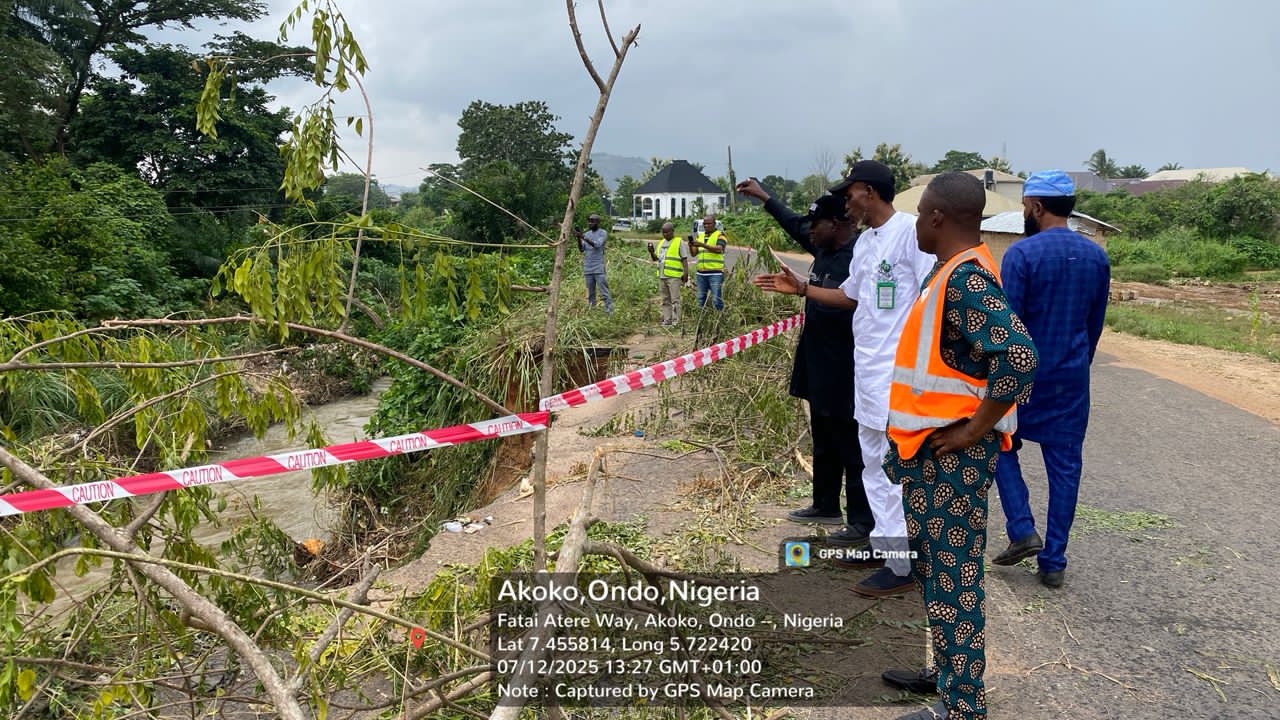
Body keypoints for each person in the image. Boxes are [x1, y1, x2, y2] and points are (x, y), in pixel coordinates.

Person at [881, 172, 1039, 720]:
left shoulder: (966, 279)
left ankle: (963, 706)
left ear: (937, 217)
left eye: (920, 213)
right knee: (936, 571)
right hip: (930, 457)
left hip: (953, 460)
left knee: (954, 579)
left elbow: (1018, 357)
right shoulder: (949, 271)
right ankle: (948, 674)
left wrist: (973, 430)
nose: (915, 224)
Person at [753, 160, 935, 597]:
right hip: (866, 374)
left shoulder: (909, 235)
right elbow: (849, 296)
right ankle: (884, 546)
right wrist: (802, 289)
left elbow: (931, 294)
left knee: (894, 468)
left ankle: (904, 565)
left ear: (869, 191)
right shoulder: (867, 243)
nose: (846, 202)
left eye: (849, 193)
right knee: (872, 464)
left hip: (898, 375)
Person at [990, 170, 1111, 589]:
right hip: (1071, 377)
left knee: (998, 441)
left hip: (1025, 375)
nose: (1025, 212)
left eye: (1025, 206)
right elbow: (1095, 322)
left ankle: (1022, 526)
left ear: (1037, 207)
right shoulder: (1096, 256)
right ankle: (1054, 560)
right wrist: (1079, 362)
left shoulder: (1021, 255)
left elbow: (1009, 325)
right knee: (1066, 467)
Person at [736, 177, 874, 545]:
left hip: (847, 367)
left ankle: (862, 523)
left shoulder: (861, 257)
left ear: (839, 224)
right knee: (823, 435)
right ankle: (825, 504)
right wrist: (764, 197)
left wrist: (804, 289)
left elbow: (851, 303)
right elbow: (793, 222)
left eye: (817, 224)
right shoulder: (823, 245)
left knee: (852, 445)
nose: (809, 230)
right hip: (818, 362)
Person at [646, 222, 689, 326]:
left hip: (674, 276)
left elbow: (684, 259)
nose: (665, 234)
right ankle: (667, 320)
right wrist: (651, 252)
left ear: (672, 231)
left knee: (675, 300)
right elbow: (656, 259)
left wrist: (686, 273)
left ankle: (676, 321)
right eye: (663, 232)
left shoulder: (678, 242)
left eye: (667, 232)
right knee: (665, 300)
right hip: (662, 275)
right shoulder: (661, 243)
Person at [575, 214, 612, 313]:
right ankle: (592, 311)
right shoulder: (587, 234)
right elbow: (581, 249)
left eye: (592, 221)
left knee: (604, 292)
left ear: (598, 222)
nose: (590, 223)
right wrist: (578, 238)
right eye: (589, 221)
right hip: (588, 268)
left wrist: (582, 236)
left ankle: (609, 312)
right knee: (591, 293)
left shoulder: (602, 233)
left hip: (598, 268)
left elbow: (597, 245)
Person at [690, 214, 727, 310]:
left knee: (716, 300)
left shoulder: (720, 235)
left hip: (715, 273)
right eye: (704, 224)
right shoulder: (700, 236)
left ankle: (719, 317)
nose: (706, 226)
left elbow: (719, 249)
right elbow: (693, 253)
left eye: (709, 224)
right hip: (701, 273)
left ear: (714, 224)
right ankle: (702, 317)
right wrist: (691, 245)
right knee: (700, 300)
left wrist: (702, 244)